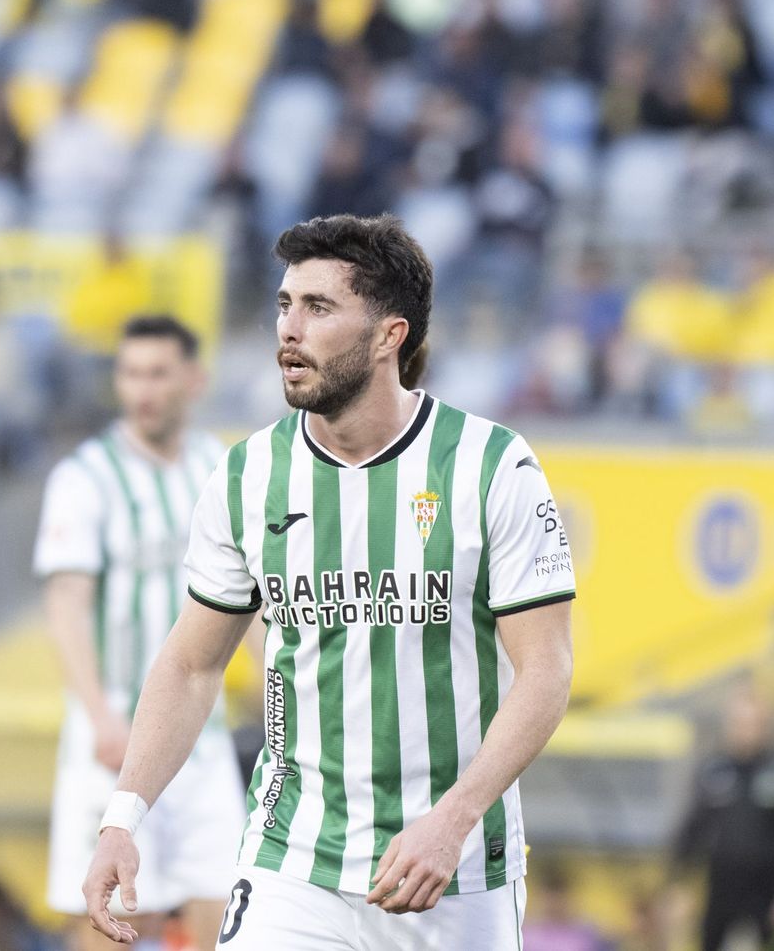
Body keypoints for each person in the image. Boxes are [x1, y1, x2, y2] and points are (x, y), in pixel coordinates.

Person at [82, 214, 578, 950]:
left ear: (389, 336)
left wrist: (453, 818)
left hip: (455, 871)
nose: (290, 329)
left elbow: (546, 672)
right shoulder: (249, 475)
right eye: (285, 305)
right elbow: (191, 666)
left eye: (319, 308)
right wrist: (124, 816)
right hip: (295, 863)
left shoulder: (490, 466)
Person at [34, 315, 245, 951]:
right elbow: (67, 605)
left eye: (158, 373)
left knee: (227, 906)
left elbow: (255, 605)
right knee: (112, 919)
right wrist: (98, 716)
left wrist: (271, 699)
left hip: (201, 737)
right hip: (118, 734)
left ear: (194, 380)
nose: (142, 389)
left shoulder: (222, 468)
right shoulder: (85, 477)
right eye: (130, 374)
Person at [674, 684, 774, 951]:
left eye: (753, 723)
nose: (745, 730)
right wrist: (680, 884)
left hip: (768, 888)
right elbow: (692, 829)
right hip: (720, 886)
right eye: (739, 722)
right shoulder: (713, 769)